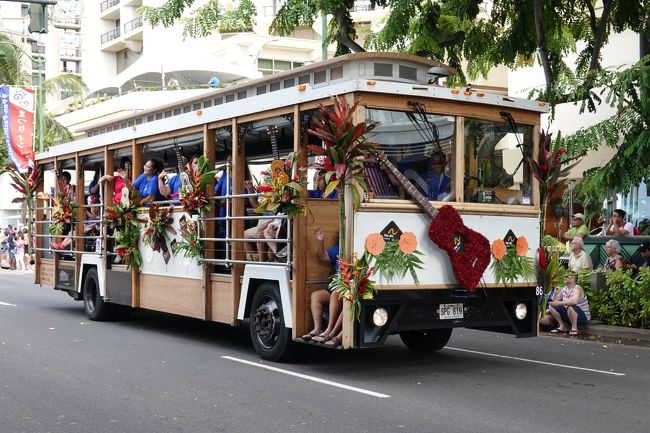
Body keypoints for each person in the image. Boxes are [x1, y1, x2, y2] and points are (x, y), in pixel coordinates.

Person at [301, 228, 342, 347]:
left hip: (346, 292)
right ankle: (318, 328)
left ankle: (329, 330)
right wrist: (320, 241)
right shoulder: (339, 249)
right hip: (335, 290)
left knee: (335, 293)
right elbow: (323, 256)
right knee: (316, 295)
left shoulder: (357, 250)